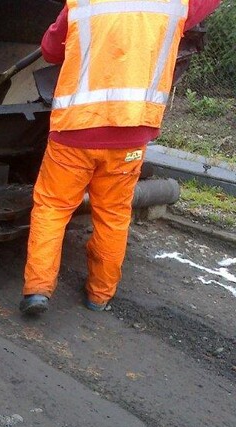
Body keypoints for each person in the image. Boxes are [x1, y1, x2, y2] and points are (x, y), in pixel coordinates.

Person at [20, 0, 222, 316]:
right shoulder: (175, 4)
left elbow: (50, 51)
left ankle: (37, 290)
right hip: (131, 133)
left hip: (75, 130)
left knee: (53, 208)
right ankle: (99, 295)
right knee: (113, 214)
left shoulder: (82, 2)